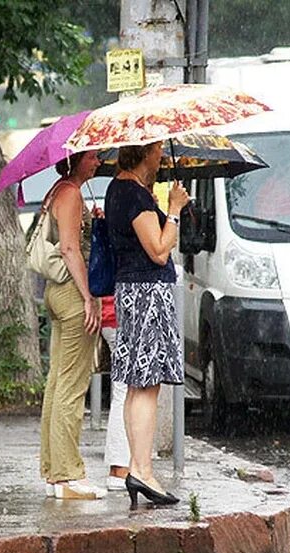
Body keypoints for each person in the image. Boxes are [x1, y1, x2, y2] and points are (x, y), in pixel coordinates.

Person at [104, 141, 188, 509]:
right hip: (146, 293)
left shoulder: (118, 188)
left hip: (131, 290)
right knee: (147, 383)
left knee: (138, 384)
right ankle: (142, 469)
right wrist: (173, 210)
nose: (160, 156)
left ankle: (139, 467)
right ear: (142, 155)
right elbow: (158, 250)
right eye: (156, 150)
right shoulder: (134, 196)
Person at [38, 150, 107, 500]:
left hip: (55, 293)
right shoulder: (71, 193)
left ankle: (54, 472)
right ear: (77, 159)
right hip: (69, 293)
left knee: (57, 382)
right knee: (72, 384)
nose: (98, 162)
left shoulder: (57, 191)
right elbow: (69, 248)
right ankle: (68, 476)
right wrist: (88, 298)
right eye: (93, 157)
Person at [100, 296, 130, 491]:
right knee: (128, 391)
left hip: (112, 313)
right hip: (121, 313)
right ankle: (120, 467)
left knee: (124, 389)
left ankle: (120, 466)